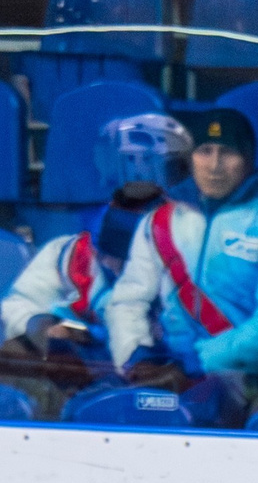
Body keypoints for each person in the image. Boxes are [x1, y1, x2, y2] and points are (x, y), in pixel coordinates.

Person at [105, 105, 258, 424]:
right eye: (204, 151)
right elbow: (128, 300)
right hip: (166, 373)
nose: (214, 165)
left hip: (252, 383)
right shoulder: (159, 222)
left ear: (248, 160)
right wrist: (135, 357)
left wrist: (200, 360)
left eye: (227, 153)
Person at [0, 114, 188, 412]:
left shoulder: (195, 256)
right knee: (16, 355)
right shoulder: (69, 254)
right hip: (84, 379)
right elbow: (16, 306)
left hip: (166, 383)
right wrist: (46, 325)